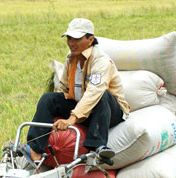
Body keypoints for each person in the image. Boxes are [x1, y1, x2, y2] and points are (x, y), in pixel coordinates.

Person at [24, 18, 130, 162]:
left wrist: (71, 119)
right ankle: (35, 149)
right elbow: (64, 87)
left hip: (109, 111)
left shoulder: (100, 61)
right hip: (81, 106)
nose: (71, 43)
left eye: (76, 38)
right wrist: (58, 109)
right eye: (69, 38)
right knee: (48, 98)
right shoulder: (71, 58)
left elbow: (94, 93)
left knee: (102, 95)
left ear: (90, 39)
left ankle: (97, 148)